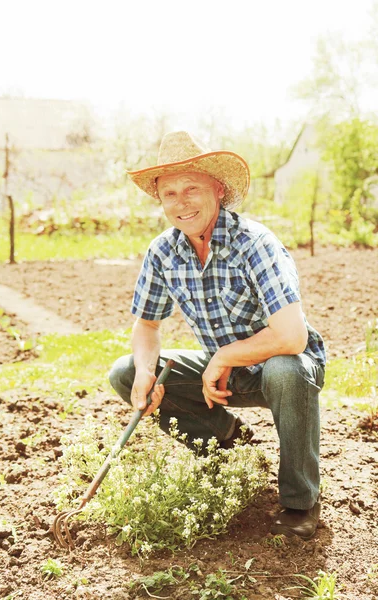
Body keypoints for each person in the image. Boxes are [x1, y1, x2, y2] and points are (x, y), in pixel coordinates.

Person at [109, 131, 326, 540]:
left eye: (192, 188)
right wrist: (143, 370)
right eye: (169, 192)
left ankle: (301, 500)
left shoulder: (255, 244)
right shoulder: (163, 252)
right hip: (222, 378)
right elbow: (147, 325)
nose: (181, 201)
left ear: (219, 189)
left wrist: (224, 355)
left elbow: (292, 338)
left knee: (285, 370)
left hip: (286, 370)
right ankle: (226, 439)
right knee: (123, 372)